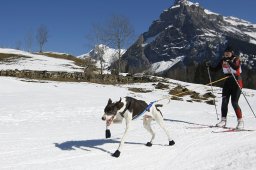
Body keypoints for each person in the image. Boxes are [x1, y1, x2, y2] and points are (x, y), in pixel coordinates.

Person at [206, 44, 244, 129]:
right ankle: (223, 120)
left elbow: (236, 67)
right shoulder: (223, 60)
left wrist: (229, 61)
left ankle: (240, 121)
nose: (226, 54)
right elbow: (216, 69)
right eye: (225, 53)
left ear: (232, 53)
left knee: (234, 102)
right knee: (224, 101)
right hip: (228, 82)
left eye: (228, 53)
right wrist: (209, 67)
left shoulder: (236, 59)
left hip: (237, 81)